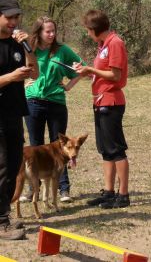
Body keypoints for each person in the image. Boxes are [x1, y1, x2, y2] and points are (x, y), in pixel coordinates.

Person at [20, 16, 85, 203]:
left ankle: (63, 189)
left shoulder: (62, 50)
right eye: (47, 31)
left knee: (60, 146)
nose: (52, 34)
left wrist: (70, 85)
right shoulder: (28, 48)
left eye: (53, 31)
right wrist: (24, 83)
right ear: (38, 32)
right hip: (33, 102)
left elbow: (83, 68)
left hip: (56, 102)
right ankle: (34, 189)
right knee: (35, 146)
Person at [75, 9, 130, 208]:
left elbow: (115, 75)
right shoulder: (103, 45)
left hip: (111, 102)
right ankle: (109, 192)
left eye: (88, 31)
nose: (88, 34)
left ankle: (123, 195)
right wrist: (87, 72)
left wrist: (90, 69)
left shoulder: (115, 43)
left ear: (94, 29)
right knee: (105, 150)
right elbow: (103, 72)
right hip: (100, 101)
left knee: (116, 149)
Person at [0, 0, 38, 240]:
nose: (14, 22)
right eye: (9, 17)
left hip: (15, 112)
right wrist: (11, 77)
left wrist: (29, 49)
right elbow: (13, 77)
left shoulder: (18, 43)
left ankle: (3, 215)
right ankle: (1, 221)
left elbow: (35, 73)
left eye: (17, 17)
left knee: (14, 166)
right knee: (3, 166)